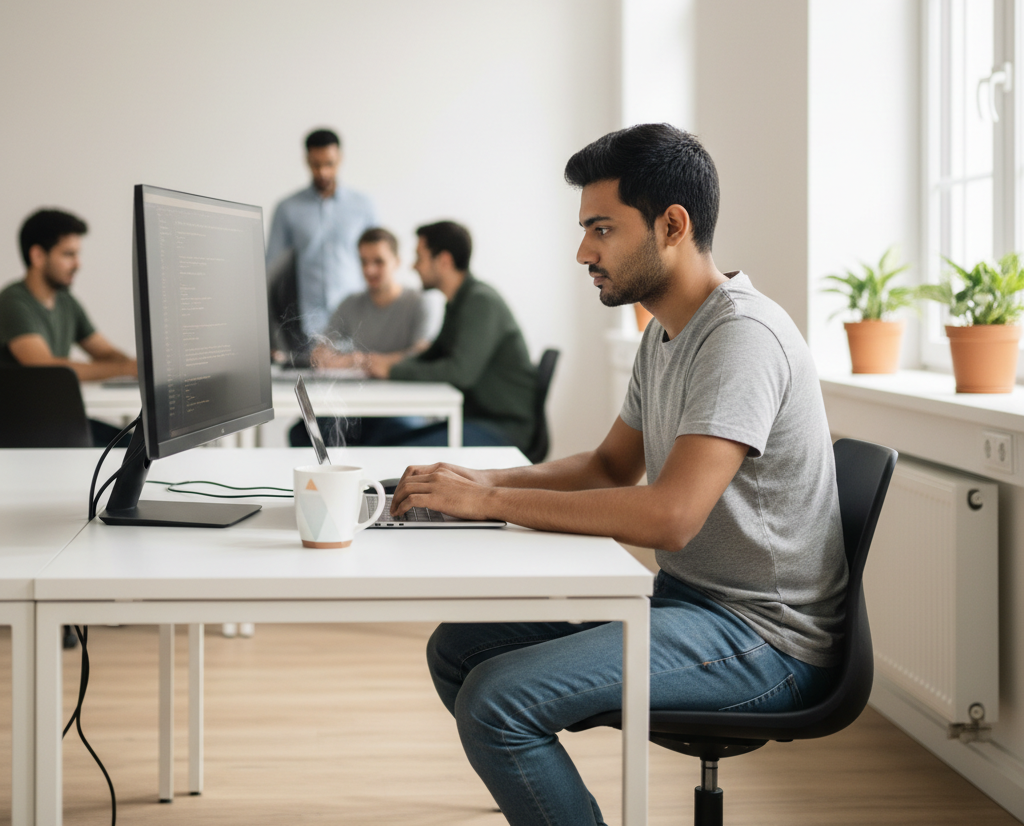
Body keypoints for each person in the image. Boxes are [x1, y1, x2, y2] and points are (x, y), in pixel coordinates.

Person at [388, 125, 848, 826]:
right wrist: (469, 482)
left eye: (602, 229)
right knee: (460, 649)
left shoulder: (741, 338)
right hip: (689, 603)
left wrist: (490, 501)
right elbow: (607, 465)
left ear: (671, 225)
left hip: (764, 637)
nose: (583, 252)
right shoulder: (664, 333)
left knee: (497, 701)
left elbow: (670, 515)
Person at [366, 221, 536, 450]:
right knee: (383, 435)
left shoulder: (480, 302)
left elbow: (460, 372)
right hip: (474, 421)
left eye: (420, 258)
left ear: (444, 261)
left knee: (392, 449)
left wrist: (393, 370)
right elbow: (434, 354)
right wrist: (389, 363)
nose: (414, 266)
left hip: (502, 429)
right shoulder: (459, 302)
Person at [289, 226, 440, 446]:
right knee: (302, 433)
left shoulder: (420, 302)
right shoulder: (351, 303)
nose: (369, 270)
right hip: (357, 405)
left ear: (396, 262)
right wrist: (356, 360)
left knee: (392, 435)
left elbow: (421, 355)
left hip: (400, 407)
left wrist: (359, 360)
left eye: (378, 262)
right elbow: (319, 353)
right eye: (363, 262)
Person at [0, 209, 138, 447]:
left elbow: (104, 352)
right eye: (68, 254)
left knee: (137, 447)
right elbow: (45, 369)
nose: (78, 264)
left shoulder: (66, 301)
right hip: (24, 429)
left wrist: (138, 369)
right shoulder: (13, 302)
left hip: (59, 421)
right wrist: (125, 368)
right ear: (38, 255)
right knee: (131, 452)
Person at [266, 128, 376, 342]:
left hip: (356, 323)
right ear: (307, 160)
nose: (323, 172)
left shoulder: (364, 206)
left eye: (329, 164)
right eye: (316, 164)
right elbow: (273, 269)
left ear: (340, 159)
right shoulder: (287, 208)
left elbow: (377, 259)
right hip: (306, 327)